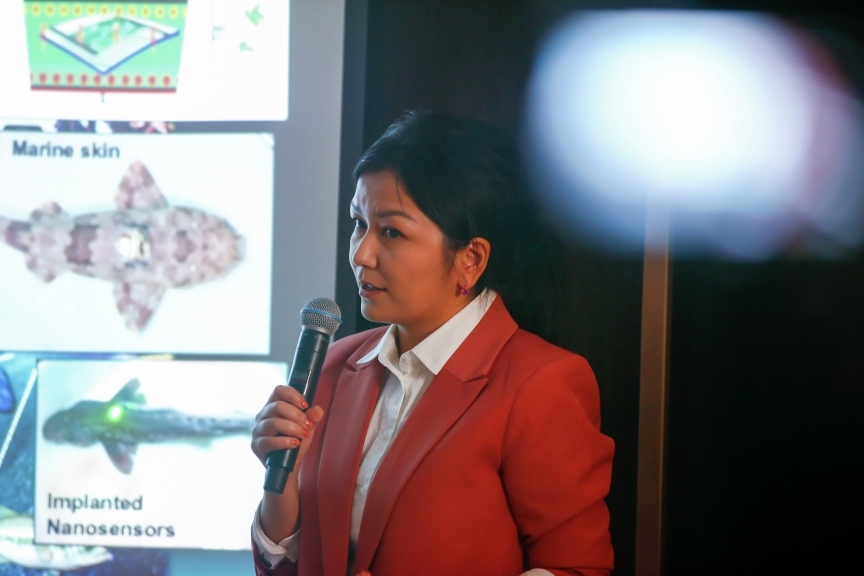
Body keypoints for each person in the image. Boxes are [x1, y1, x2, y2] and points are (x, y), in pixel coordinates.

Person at [250, 111, 615, 576]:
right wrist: (279, 484)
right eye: (358, 222)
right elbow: (289, 564)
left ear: (471, 259)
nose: (361, 254)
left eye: (392, 232)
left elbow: (576, 568)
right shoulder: (336, 363)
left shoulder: (541, 382)